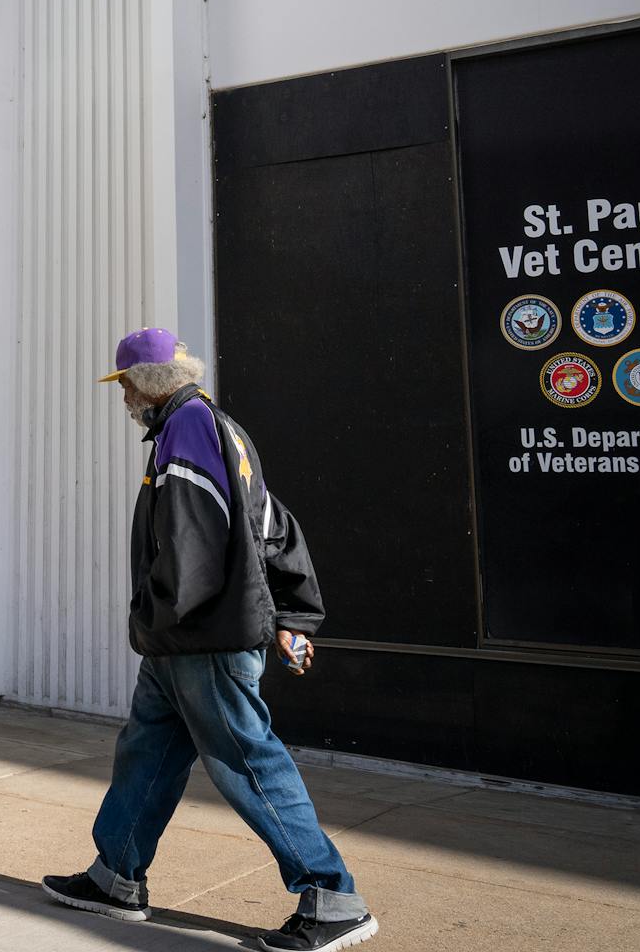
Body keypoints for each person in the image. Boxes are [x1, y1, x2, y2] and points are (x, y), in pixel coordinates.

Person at [41, 328, 377, 952]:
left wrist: (161, 613)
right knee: (147, 752)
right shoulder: (215, 428)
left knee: (247, 761)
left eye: (124, 389)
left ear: (146, 382)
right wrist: (294, 615)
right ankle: (116, 875)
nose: (123, 402)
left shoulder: (189, 428)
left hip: (201, 639)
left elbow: (192, 544)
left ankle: (333, 898)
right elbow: (275, 526)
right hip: (181, 643)